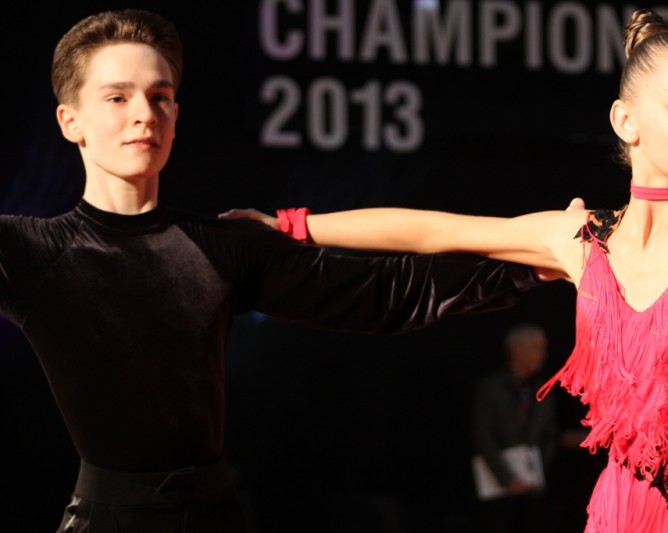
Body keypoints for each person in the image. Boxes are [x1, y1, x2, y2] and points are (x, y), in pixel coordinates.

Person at [0, 9, 584, 532]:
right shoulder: (32, 252)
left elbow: (382, 293)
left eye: (160, 96)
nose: (144, 115)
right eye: (117, 97)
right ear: (70, 121)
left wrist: (533, 266)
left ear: (177, 114)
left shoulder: (222, 245)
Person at [224, 8, 668, 532]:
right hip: (622, 512)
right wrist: (291, 225)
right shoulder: (583, 240)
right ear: (625, 120)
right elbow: (434, 231)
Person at [471, 323, 558, 533]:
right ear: (517, 350)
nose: (542, 355)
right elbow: (483, 437)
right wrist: (507, 479)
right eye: (537, 348)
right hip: (498, 491)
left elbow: (550, 436)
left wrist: (535, 472)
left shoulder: (543, 390)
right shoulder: (490, 389)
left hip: (533, 491)